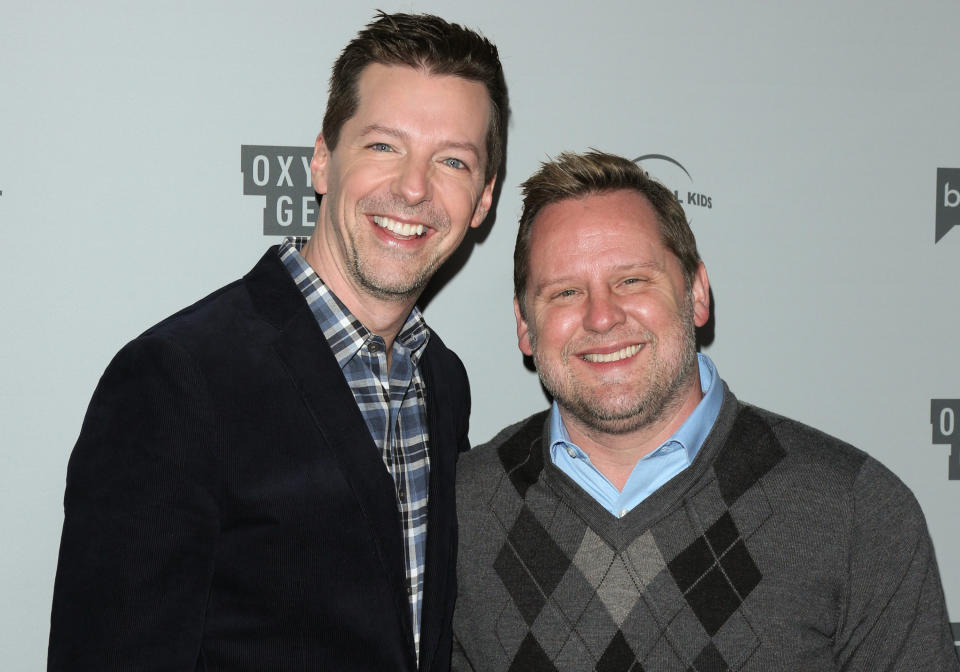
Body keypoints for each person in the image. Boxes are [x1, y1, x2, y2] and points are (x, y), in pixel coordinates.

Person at [48, 11, 507, 672]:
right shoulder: (176, 380)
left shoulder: (442, 380)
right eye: (383, 146)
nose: (413, 188)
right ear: (322, 159)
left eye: (453, 161)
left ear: (483, 199)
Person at [452, 151, 959, 670]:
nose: (601, 317)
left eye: (632, 280)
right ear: (523, 325)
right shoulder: (457, 512)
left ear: (696, 292)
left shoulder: (856, 511)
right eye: (564, 292)